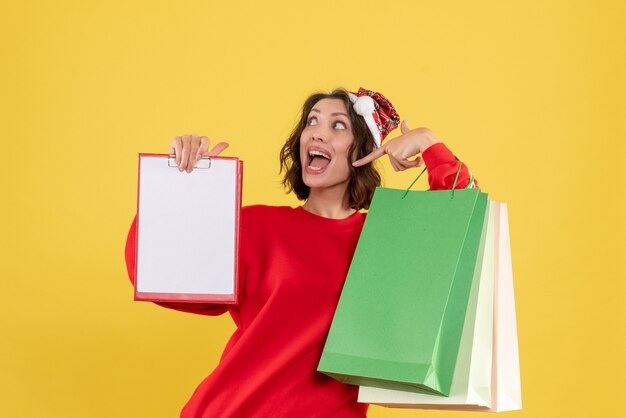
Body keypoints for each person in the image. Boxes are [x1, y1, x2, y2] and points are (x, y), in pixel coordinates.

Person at [124, 88, 478, 417]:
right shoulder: (256, 226)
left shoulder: (386, 237)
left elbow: (465, 235)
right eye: (312, 121)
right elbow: (154, 273)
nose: (317, 133)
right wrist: (181, 183)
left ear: (364, 150)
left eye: (337, 125)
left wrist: (430, 143)